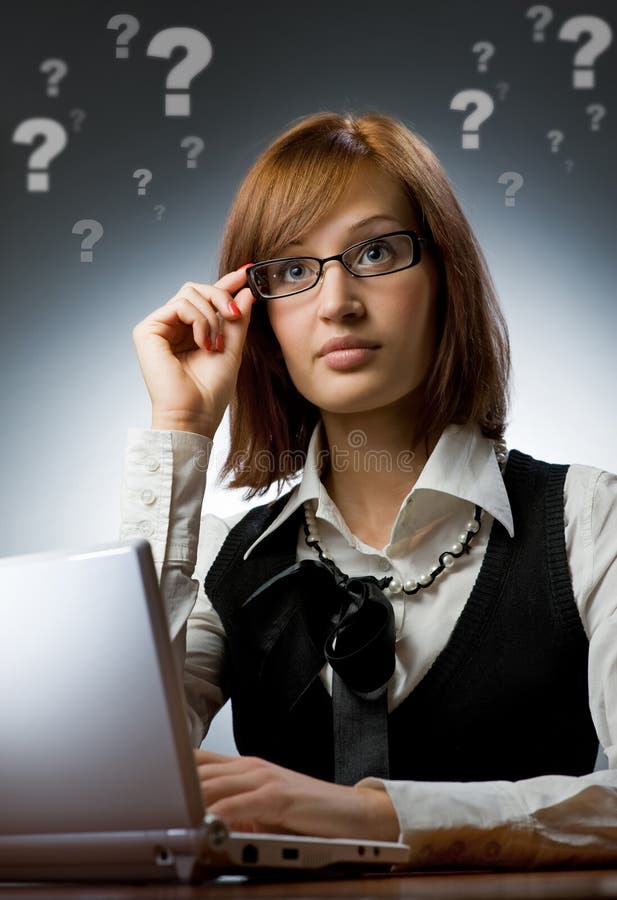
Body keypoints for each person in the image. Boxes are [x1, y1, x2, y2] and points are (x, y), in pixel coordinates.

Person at [121, 110, 617, 868]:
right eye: (291, 270)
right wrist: (180, 430)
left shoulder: (587, 520)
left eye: (376, 251)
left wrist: (375, 815)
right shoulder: (227, 560)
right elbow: (112, 777)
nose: (335, 302)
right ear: (258, 318)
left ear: (444, 275)